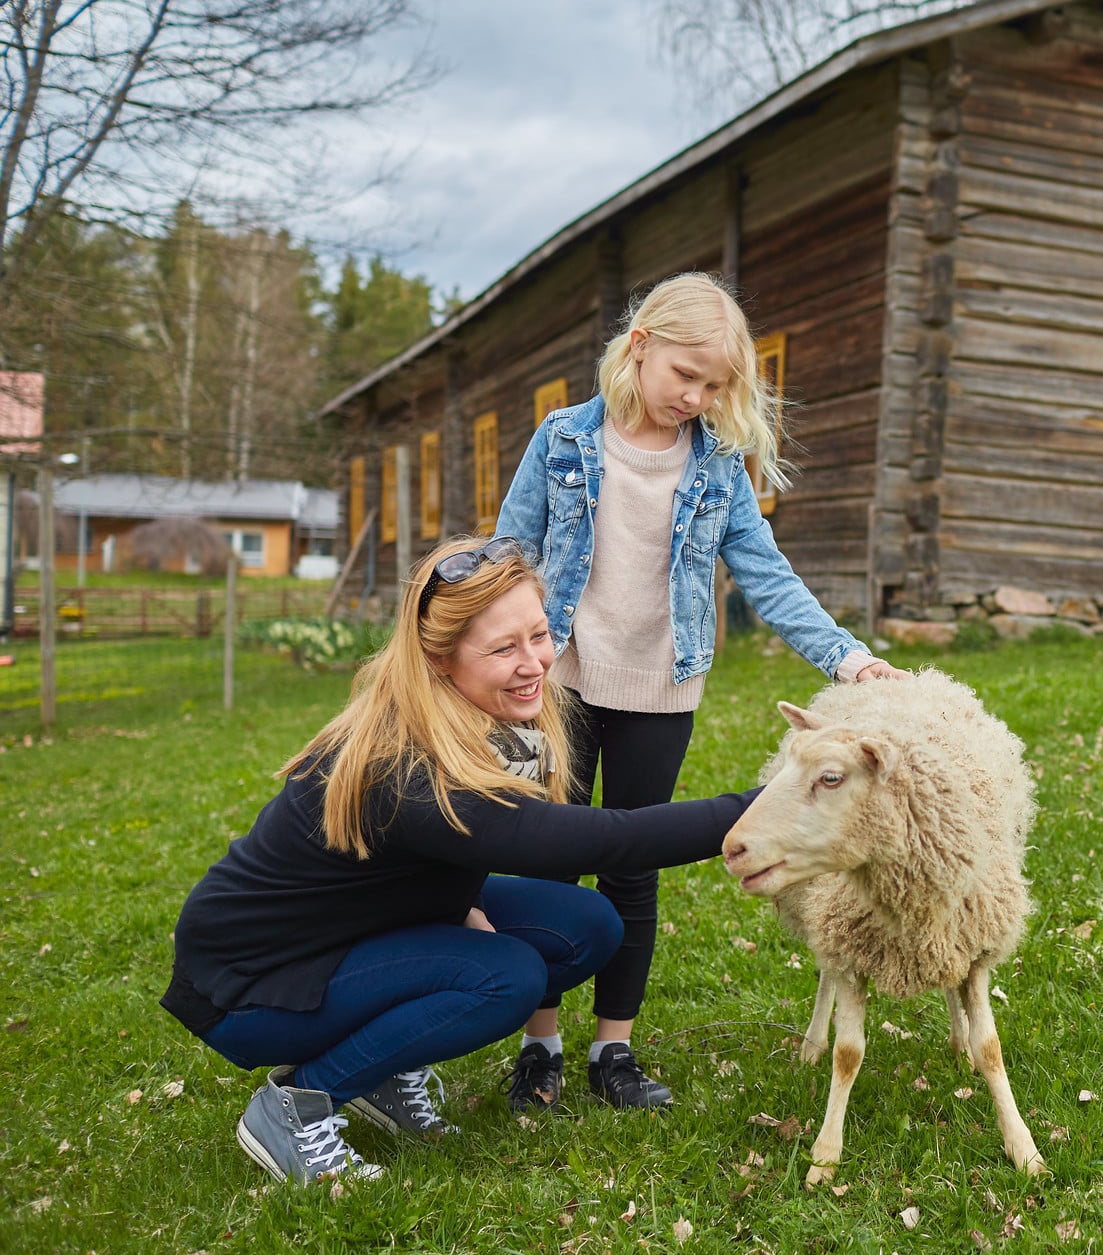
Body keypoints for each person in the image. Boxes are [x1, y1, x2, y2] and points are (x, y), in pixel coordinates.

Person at [159, 535, 758, 1184]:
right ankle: (299, 1105)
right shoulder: (412, 770)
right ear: (440, 660)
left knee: (587, 924)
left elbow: (415, 862)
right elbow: (606, 840)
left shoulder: (491, 721)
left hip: (350, 927)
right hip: (254, 980)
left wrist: (459, 903)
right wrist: (773, 803)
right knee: (506, 977)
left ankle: (379, 1073)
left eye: (538, 634)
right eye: (504, 648)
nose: (533, 662)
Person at [494, 271, 905, 1113]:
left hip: (660, 689)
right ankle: (540, 1047)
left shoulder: (716, 465)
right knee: (550, 860)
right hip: (557, 683)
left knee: (633, 864)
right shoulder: (565, 439)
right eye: (688, 375)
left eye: (717, 385)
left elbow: (765, 573)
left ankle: (616, 1047)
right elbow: (510, 552)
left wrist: (847, 657)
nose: (699, 396)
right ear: (640, 346)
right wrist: (481, 654)